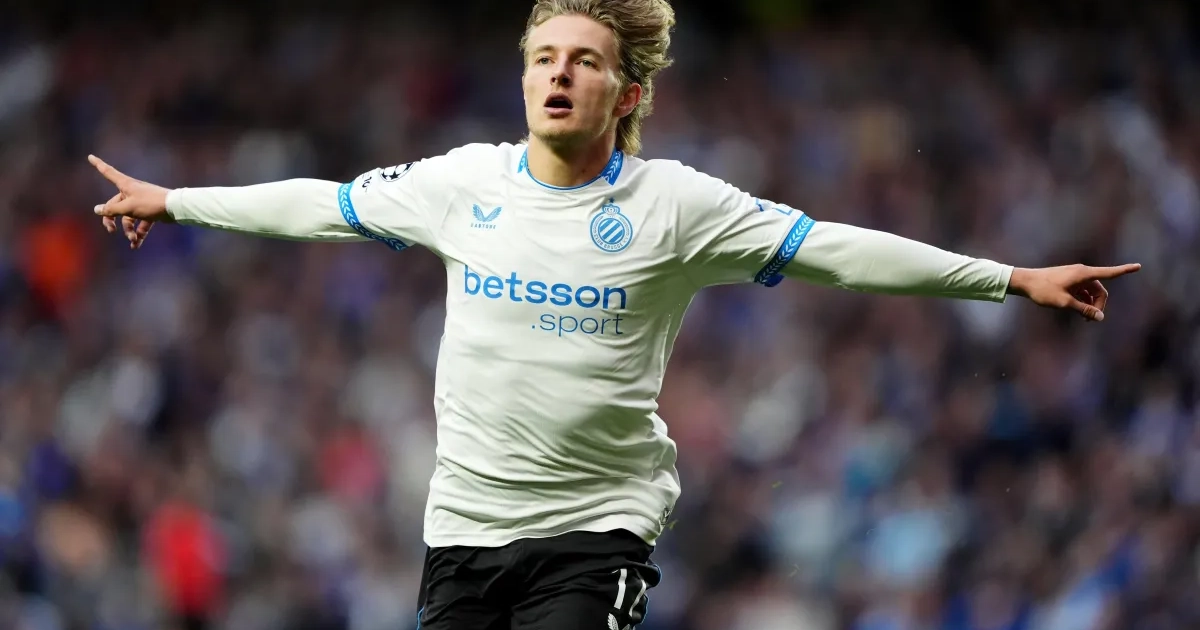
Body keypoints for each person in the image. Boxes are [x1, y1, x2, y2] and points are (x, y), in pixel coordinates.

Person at [87, 1, 1140, 628]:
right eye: (544, 57)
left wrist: (1009, 277)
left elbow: (831, 249)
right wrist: (175, 200)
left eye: (584, 60)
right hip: (463, 529)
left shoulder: (675, 205)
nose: (559, 72)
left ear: (626, 94)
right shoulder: (462, 184)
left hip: (597, 530)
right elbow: (322, 205)